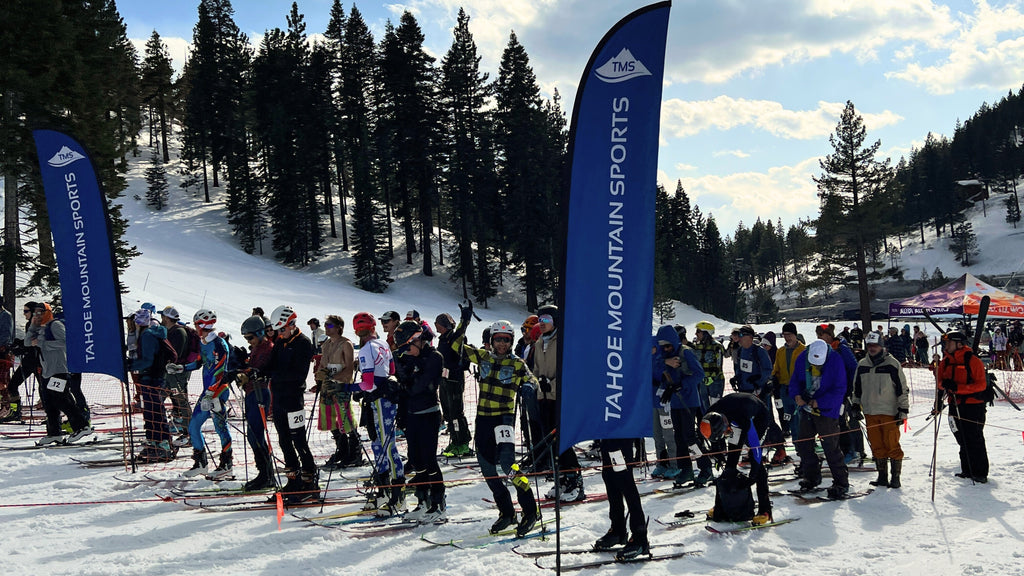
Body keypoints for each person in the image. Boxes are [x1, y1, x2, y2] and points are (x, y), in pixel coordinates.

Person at [451, 303, 540, 537]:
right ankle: (507, 512)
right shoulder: (482, 357)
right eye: (498, 339)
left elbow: (533, 380)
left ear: (511, 342)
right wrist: (464, 322)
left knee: (509, 466)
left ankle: (531, 511)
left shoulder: (517, 363)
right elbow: (455, 345)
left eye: (506, 340)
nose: (502, 344)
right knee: (488, 469)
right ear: (491, 340)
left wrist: (529, 387)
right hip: (483, 420)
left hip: (503, 419)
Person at [701, 392, 784, 525]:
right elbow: (714, 439)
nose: (727, 434)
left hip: (758, 417)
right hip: (734, 415)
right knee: (730, 461)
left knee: (755, 461)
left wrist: (753, 475)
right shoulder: (710, 416)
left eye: (726, 432)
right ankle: (722, 506)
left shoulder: (742, 417)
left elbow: (756, 449)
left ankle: (765, 510)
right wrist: (717, 452)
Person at [353, 312, 406, 516]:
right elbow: (391, 369)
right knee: (378, 445)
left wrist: (350, 389)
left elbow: (367, 382)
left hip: (380, 400)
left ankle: (398, 496)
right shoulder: (383, 343)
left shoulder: (366, 349)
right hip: (381, 399)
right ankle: (384, 492)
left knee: (385, 445)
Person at [394, 321, 447, 522]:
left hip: (428, 413)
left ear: (418, 340)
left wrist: (405, 383)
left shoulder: (434, 357)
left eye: (408, 346)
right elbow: (404, 383)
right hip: (411, 414)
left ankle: (438, 503)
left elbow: (422, 385)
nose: (406, 351)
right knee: (415, 459)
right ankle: (422, 501)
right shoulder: (408, 358)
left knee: (429, 458)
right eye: (403, 348)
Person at [266, 305, 319, 503]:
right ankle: (293, 480)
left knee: (299, 440)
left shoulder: (303, 343)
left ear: (292, 324)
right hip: (279, 398)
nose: (280, 334)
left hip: (294, 399)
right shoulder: (281, 342)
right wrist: (256, 371)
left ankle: (310, 482)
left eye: (282, 329)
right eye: (278, 330)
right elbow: (271, 365)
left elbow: (298, 375)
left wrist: (274, 375)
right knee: (284, 440)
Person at [171, 309, 232, 478]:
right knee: (193, 426)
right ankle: (200, 463)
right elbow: (199, 362)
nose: (196, 329)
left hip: (218, 391)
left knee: (221, 427)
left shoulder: (219, 344)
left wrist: (211, 393)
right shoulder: (203, 343)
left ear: (201, 325)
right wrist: (181, 368)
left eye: (197, 325)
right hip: (208, 392)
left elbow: (220, 371)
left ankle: (227, 464)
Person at [533, 306, 585, 502]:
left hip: (560, 397)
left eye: (546, 318)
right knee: (550, 440)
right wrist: (537, 383)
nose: (542, 322)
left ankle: (575, 480)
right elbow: (536, 369)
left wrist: (552, 384)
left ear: (555, 320)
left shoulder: (563, 341)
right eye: (540, 319)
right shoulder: (539, 343)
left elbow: (571, 369)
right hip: (544, 397)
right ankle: (562, 477)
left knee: (562, 439)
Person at [788, 339, 850, 499]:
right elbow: (794, 380)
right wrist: (796, 396)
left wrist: (820, 402)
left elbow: (840, 389)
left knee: (831, 446)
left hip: (827, 411)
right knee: (803, 444)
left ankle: (841, 482)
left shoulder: (835, 360)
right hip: (807, 409)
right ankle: (812, 476)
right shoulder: (802, 357)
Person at [654, 325, 714, 488]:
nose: (665, 349)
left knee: (689, 437)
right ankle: (685, 468)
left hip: (688, 400)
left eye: (668, 345)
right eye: (662, 346)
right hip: (674, 401)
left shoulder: (686, 352)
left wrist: (683, 384)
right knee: (678, 437)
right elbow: (656, 367)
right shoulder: (665, 355)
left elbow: (699, 374)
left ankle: (705, 467)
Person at [26, 303, 93, 445]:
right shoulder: (40, 328)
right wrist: (32, 326)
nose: (38, 315)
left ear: (48, 312)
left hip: (59, 370)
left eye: (40, 312)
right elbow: (27, 342)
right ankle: (53, 432)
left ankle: (81, 426)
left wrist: (43, 344)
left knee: (61, 399)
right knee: (49, 402)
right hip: (47, 371)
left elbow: (66, 342)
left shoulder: (55, 325)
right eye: (35, 312)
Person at [852, 331, 909, 489]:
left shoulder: (892, 364)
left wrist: (903, 409)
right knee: (876, 445)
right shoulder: (862, 364)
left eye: (875, 345)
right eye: (869, 345)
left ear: (882, 346)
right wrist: (856, 404)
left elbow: (902, 389)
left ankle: (895, 477)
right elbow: (856, 388)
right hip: (870, 412)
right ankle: (882, 476)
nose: (872, 348)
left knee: (892, 445)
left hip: (889, 412)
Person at [934, 331, 989, 483]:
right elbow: (940, 381)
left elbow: (981, 384)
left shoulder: (973, 361)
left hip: (973, 406)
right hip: (954, 405)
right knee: (961, 438)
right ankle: (967, 469)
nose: (946, 345)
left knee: (974, 439)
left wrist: (958, 388)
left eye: (949, 342)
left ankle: (980, 472)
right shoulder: (946, 361)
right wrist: (944, 385)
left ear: (959, 344)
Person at [315, 315, 361, 470]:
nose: (327, 328)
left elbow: (349, 369)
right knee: (330, 419)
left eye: (330, 325)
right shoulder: (326, 344)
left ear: (339, 327)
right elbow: (322, 364)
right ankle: (342, 449)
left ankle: (355, 451)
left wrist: (332, 376)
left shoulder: (346, 344)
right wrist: (320, 375)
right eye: (326, 325)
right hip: (327, 386)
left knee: (345, 418)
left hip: (341, 386)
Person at [235, 315, 276, 491]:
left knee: (256, 435)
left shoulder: (268, 348)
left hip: (260, 393)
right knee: (252, 434)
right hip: (252, 393)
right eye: (246, 339)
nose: (249, 341)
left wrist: (247, 372)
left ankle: (267, 475)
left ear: (260, 333)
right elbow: (251, 367)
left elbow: (260, 369)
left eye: (250, 337)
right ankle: (263, 473)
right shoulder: (257, 348)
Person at [593, 437, 650, 560]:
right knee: (609, 477)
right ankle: (617, 530)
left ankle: (640, 537)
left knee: (624, 480)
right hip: (607, 432)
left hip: (621, 431)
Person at [131, 308, 175, 463]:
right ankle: (155, 442)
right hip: (153, 377)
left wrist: (130, 364)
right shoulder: (150, 333)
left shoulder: (147, 335)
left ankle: (162, 444)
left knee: (154, 411)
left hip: (151, 378)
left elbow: (147, 360)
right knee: (152, 411)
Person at [435, 313, 472, 458]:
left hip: (454, 380)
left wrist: (465, 319)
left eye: (438, 323)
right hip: (444, 379)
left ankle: (462, 442)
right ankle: (455, 440)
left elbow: (461, 334)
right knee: (448, 412)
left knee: (456, 412)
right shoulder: (442, 339)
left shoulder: (454, 337)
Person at [158, 306, 193, 447]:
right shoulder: (173, 331)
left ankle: (189, 433)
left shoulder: (178, 332)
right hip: (171, 374)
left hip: (177, 374)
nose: (161, 319)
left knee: (181, 402)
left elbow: (174, 354)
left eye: (163, 317)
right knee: (160, 399)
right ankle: (165, 431)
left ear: (167, 318)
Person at [772, 322, 805, 443]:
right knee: (790, 418)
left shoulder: (804, 350)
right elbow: (776, 369)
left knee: (802, 420)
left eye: (790, 334)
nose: (787, 337)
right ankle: (797, 444)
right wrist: (773, 379)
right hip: (785, 390)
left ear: (795, 335)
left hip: (800, 391)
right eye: (785, 335)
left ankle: (804, 444)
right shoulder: (780, 351)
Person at [692, 321, 725, 407]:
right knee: (704, 406)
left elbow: (719, 365)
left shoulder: (717, 346)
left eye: (698, 331)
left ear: (706, 333)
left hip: (715, 382)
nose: (696, 334)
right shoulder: (697, 346)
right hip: (702, 381)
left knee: (716, 407)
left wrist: (711, 378)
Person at [0, 298, 14, 419]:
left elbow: (6, 335)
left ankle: (7, 408)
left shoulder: (5, 316)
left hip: (2, 353)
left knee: (3, 382)